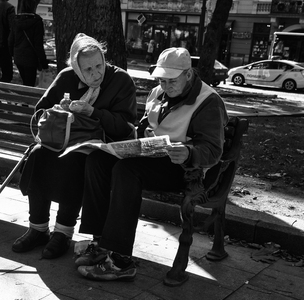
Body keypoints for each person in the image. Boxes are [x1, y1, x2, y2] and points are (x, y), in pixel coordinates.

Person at [75, 47, 229, 281]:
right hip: (153, 158)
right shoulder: (157, 92)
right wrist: (139, 135)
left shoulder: (208, 101)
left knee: (126, 171)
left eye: (171, 80)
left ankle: (120, 261)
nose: (165, 86)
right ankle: (101, 243)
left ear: (188, 74)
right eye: (161, 79)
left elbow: (213, 151)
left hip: (186, 169)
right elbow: (147, 125)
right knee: (97, 160)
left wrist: (188, 152)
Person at [12, 33, 137, 259]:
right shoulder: (67, 77)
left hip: (102, 147)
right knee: (38, 154)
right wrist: (59, 111)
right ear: (76, 68)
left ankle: (63, 232)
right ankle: (38, 227)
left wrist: (93, 112)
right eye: (87, 70)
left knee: (75, 160)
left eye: (99, 65)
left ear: (104, 59)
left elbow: (125, 127)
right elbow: (41, 110)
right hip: (62, 140)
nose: (95, 73)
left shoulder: (120, 81)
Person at [8, 0, 48, 86]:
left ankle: (23, 97)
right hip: (31, 58)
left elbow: (11, 40)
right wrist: (44, 63)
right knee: (30, 83)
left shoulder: (15, 20)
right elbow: (38, 45)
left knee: (25, 81)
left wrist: (12, 54)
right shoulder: (37, 22)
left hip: (18, 56)